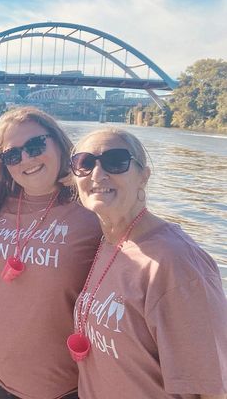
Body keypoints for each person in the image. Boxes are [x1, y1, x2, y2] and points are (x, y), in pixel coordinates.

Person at [69, 127, 227, 399]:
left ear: (144, 176)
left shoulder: (177, 262)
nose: (97, 174)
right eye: (84, 163)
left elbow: (212, 387)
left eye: (116, 161)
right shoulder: (111, 242)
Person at [0, 107, 101, 399]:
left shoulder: (93, 212)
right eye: (12, 155)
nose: (27, 159)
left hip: (62, 387)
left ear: (58, 142)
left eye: (35, 146)